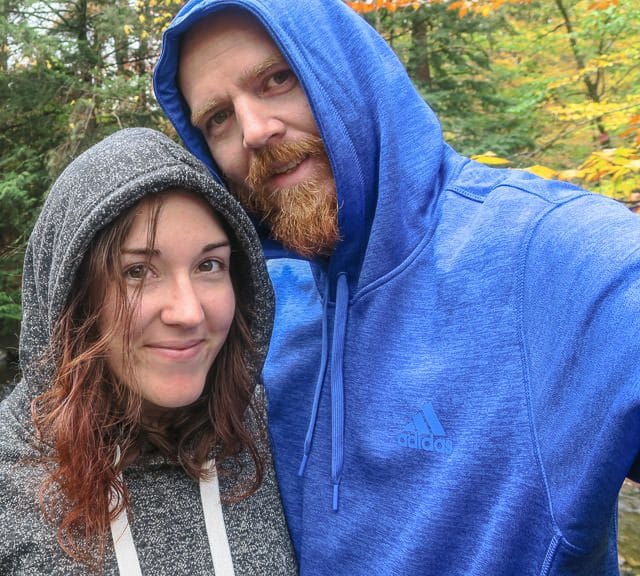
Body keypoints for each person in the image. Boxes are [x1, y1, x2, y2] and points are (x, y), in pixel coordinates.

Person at [152, 1, 640, 574]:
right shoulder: (256, 307)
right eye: (219, 119)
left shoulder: (547, 255)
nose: (255, 130)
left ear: (347, 69)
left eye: (278, 79)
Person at [0, 127, 298, 575]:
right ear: (73, 300)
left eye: (209, 265)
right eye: (138, 271)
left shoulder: (262, 432)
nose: (188, 312)